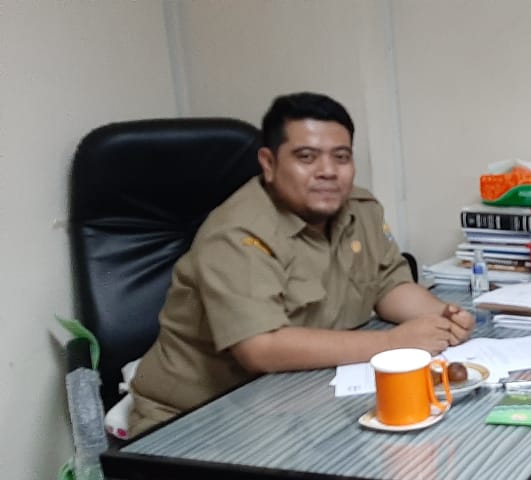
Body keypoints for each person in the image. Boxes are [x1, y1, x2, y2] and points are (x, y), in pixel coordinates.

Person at [127, 92, 473, 435]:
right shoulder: (238, 233)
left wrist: (441, 317)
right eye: (307, 157)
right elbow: (261, 348)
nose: (328, 172)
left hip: (299, 400)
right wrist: (391, 345)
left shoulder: (360, 209)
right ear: (269, 163)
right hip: (200, 419)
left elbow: (388, 286)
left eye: (341, 157)